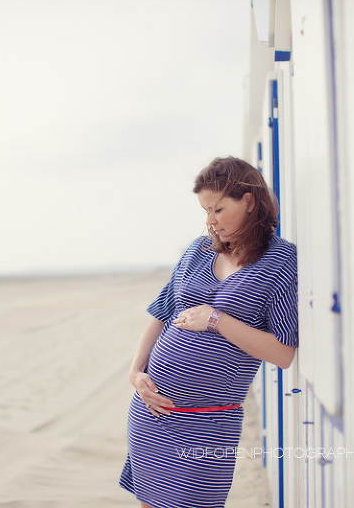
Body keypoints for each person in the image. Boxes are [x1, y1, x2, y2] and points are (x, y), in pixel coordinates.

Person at [119, 156, 298, 508]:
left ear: (249, 201)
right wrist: (136, 372)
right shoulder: (197, 251)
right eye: (205, 211)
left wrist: (217, 319)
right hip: (153, 413)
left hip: (209, 424)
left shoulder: (280, 261)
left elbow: (283, 353)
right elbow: (161, 314)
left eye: (218, 209)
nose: (210, 222)